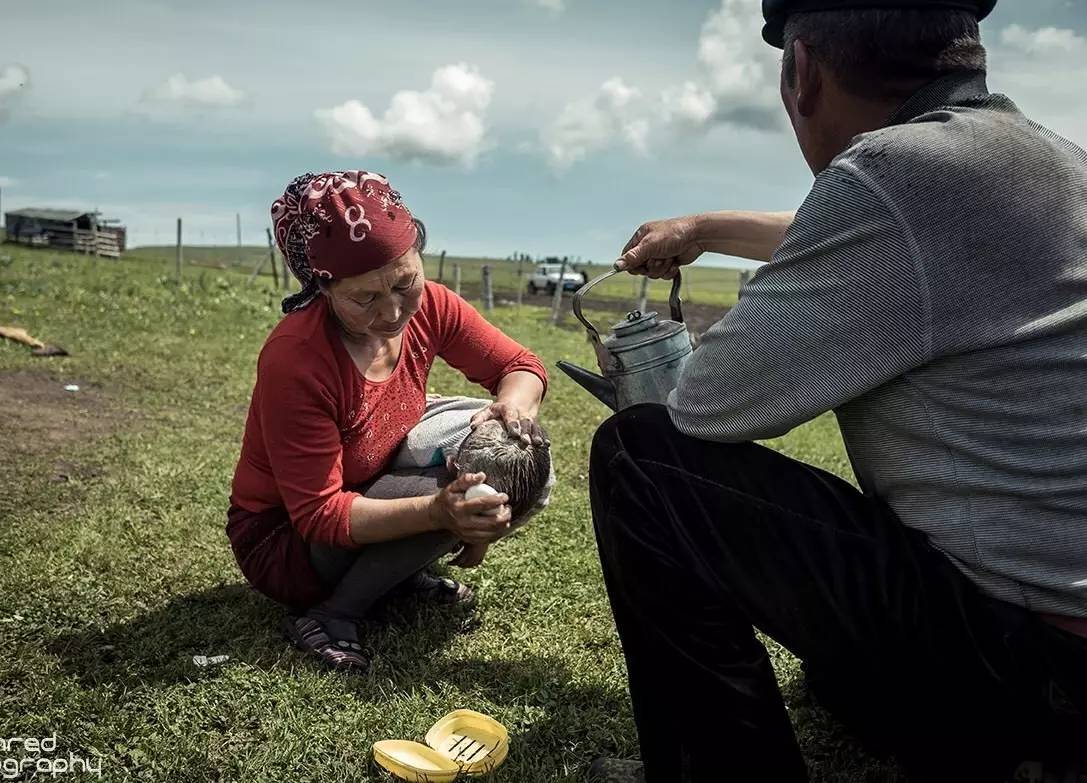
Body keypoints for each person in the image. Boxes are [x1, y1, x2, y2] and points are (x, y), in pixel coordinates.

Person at [586, 2, 1087, 781]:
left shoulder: (891, 174)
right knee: (838, 677)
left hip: (1034, 660)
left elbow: (708, 404)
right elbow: (893, 233)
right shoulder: (1048, 162)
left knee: (642, 459)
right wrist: (706, 227)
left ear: (801, 72)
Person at [227, 171, 549, 674]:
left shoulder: (433, 306)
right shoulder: (298, 359)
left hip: (368, 492)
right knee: (461, 488)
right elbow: (318, 515)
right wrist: (440, 514)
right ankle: (333, 613)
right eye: (365, 299)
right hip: (287, 544)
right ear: (323, 288)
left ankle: (392, 575)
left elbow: (521, 368)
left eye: (406, 284)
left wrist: (514, 408)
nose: (394, 311)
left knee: (508, 451)